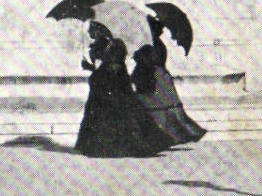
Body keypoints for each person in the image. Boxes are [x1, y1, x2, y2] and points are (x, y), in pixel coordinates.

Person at [74, 22, 170, 158]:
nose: (89, 34)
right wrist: (90, 66)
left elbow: (112, 67)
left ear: (101, 30)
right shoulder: (103, 45)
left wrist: (95, 68)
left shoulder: (115, 45)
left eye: (92, 30)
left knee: (116, 115)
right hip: (106, 88)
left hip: (114, 88)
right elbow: (103, 67)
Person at [131, 16, 206, 147]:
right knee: (162, 108)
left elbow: (151, 61)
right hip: (159, 77)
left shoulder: (154, 44)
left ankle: (166, 136)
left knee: (158, 107)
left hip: (155, 78)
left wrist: (139, 56)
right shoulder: (153, 43)